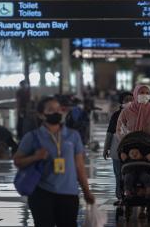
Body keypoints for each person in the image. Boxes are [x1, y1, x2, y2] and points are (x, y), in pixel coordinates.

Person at [13, 97, 95, 227]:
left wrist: (86, 191)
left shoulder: (73, 136)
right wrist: (35, 157)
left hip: (69, 193)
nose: (56, 112)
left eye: (58, 109)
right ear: (41, 114)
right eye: (50, 110)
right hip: (41, 193)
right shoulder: (32, 136)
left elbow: (79, 166)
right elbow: (17, 161)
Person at [103, 91, 133, 203]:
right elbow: (110, 133)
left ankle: (131, 195)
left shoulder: (137, 114)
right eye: (126, 100)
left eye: (132, 99)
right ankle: (120, 197)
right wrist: (106, 149)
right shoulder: (116, 115)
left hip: (133, 151)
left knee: (131, 173)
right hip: (117, 150)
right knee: (118, 174)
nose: (130, 102)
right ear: (121, 102)